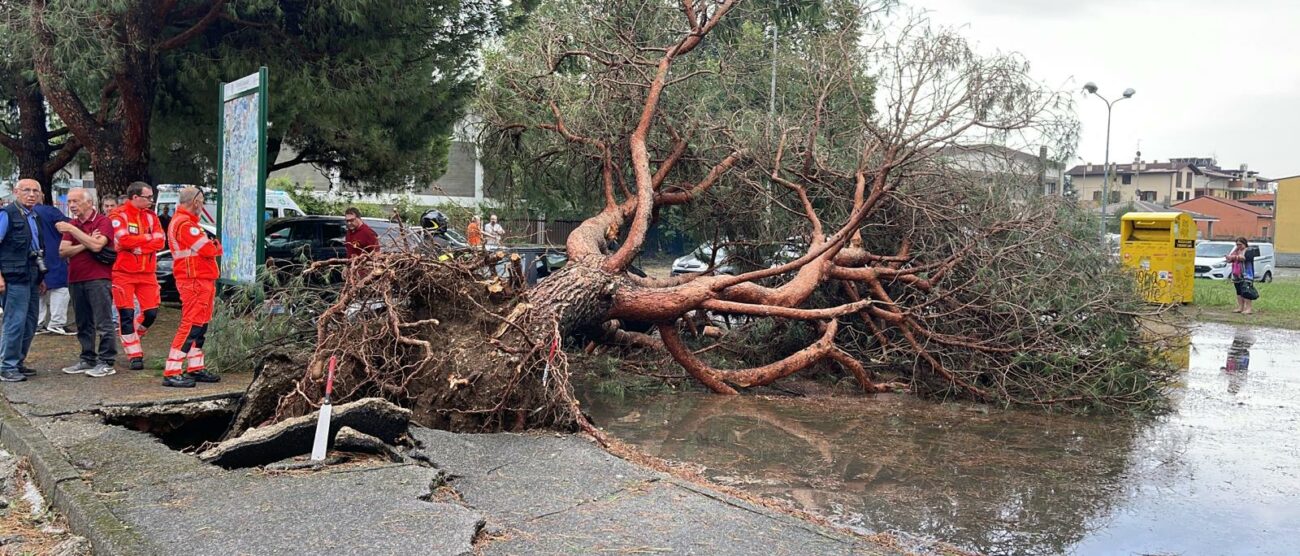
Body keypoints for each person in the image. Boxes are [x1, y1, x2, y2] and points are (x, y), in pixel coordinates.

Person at [162, 187, 222, 388]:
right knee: (191, 325)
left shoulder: (185, 223)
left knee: (200, 325)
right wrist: (216, 247)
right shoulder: (185, 224)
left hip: (199, 279)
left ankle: (195, 367)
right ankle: (172, 370)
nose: (203, 204)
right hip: (194, 279)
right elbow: (206, 248)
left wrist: (212, 246)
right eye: (202, 201)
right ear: (195, 201)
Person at [55, 188, 117, 377]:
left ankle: (106, 361)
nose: (72, 205)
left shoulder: (102, 221)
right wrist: (87, 242)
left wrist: (74, 232)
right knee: (83, 322)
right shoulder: (72, 223)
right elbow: (63, 252)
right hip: (75, 277)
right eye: (70, 202)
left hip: (98, 277)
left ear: (89, 203)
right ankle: (87, 358)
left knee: (103, 321)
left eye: (76, 201)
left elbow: (99, 246)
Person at [111, 182, 166, 370]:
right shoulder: (118, 215)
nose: (152, 200)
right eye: (148, 197)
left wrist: (137, 246)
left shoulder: (152, 217)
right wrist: (147, 240)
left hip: (147, 273)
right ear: (135, 197)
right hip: (123, 273)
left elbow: (161, 242)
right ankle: (134, 354)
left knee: (151, 313)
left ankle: (133, 335)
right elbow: (122, 239)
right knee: (126, 314)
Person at [0, 179, 48, 382]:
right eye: (26, 190)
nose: (31, 194)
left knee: (30, 322)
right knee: (15, 322)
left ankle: (18, 362)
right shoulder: (7, 215)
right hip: (14, 276)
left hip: (32, 275)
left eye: (35, 191)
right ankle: (6, 366)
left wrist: (41, 278)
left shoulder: (34, 216)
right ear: (16, 192)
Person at [33, 192, 73, 336]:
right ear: (42, 196)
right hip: (53, 253)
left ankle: (37, 323)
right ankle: (57, 322)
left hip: (33, 254)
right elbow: (69, 224)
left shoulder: (19, 213)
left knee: (38, 289)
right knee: (61, 287)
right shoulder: (49, 211)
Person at [1226, 237, 1257, 315]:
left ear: (1244, 243)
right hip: (1237, 275)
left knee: (1246, 291)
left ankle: (1248, 308)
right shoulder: (1236, 251)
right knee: (1238, 291)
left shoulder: (1249, 250)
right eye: (1237, 244)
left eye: (1240, 244)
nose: (1238, 246)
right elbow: (1231, 260)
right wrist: (1229, 258)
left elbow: (1244, 258)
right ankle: (1240, 307)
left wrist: (1235, 257)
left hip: (1247, 274)